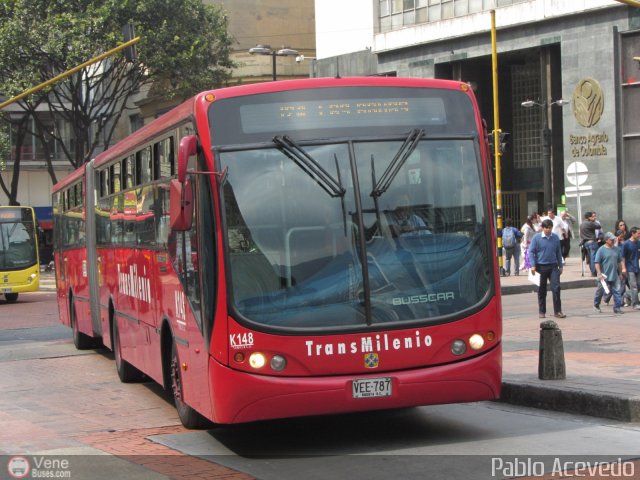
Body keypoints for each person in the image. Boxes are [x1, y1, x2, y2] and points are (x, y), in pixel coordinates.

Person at [528, 218, 565, 319]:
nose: (548, 230)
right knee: (541, 290)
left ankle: (558, 311)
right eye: (546, 228)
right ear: (542, 228)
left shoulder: (555, 238)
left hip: (553, 266)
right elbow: (531, 252)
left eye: (550, 228)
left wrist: (560, 265)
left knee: (556, 288)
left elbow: (558, 252)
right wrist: (533, 265)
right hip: (540, 267)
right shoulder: (537, 238)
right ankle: (542, 311)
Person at [593, 232, 627, 314]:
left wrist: (620, 272)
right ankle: (596, 304)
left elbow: (619, 261)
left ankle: (617, 308)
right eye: (611, 239)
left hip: (614, 274)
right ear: (606, 240)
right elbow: (597, 262)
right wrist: (599, 273)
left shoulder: (616, 249)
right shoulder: (601, 250)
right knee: (600, 291)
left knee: (617, 291)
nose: (613, 241)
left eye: (613, 239)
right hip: (604, 275)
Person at [621, 227, 640, 309]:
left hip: (637, 267)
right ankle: (635, 303)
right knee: (634, 286)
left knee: (638, 285)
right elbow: (623, 257)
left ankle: (627, 294)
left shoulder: (639, 243)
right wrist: (623, 268)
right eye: (638, 233)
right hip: (630, 268)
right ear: (633, 233)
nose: (639, 235)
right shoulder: (626, 244)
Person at [579, 211, 600, 276]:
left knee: (590, 258)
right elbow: (598, 226)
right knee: (593, 258)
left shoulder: (582, 224)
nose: (593, 218)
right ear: (589, 217)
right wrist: (593, 220)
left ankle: (592, 271)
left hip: (586, 243)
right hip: (592, 242)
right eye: (592, 216)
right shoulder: (590, 223)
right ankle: (594, 272)